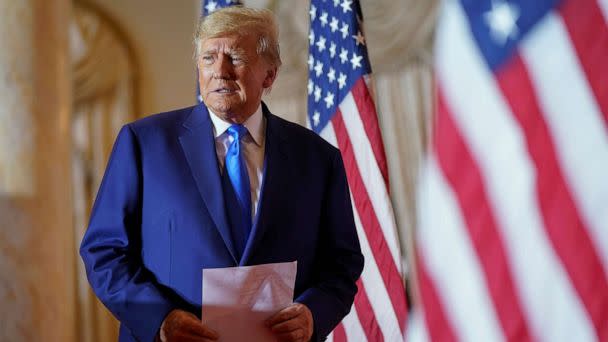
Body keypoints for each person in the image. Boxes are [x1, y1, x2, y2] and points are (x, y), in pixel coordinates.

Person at [80, 6, 363, 342]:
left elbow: (341, 264)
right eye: (209, 57)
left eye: (236, 57)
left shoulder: (318, 158)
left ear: (269, 75)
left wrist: (314, 314)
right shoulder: (144, 144)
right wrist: (158, 319)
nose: (220, 71)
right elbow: (103, 251)